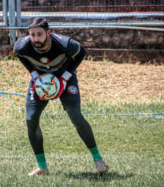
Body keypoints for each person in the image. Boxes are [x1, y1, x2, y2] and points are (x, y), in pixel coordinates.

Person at [14, 17, 108, 176]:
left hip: (66, 78)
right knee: (31, 119)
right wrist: (36, 77)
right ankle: (42, 167)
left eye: (39, 34)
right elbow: (21, 56)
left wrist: (63, 79)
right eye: (32, 35)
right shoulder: (22, 46)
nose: (36, 38)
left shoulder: (65, 44)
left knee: (75, 115)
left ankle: (98, 159)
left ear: (48, 32)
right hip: (41, 82)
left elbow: (81, 52)